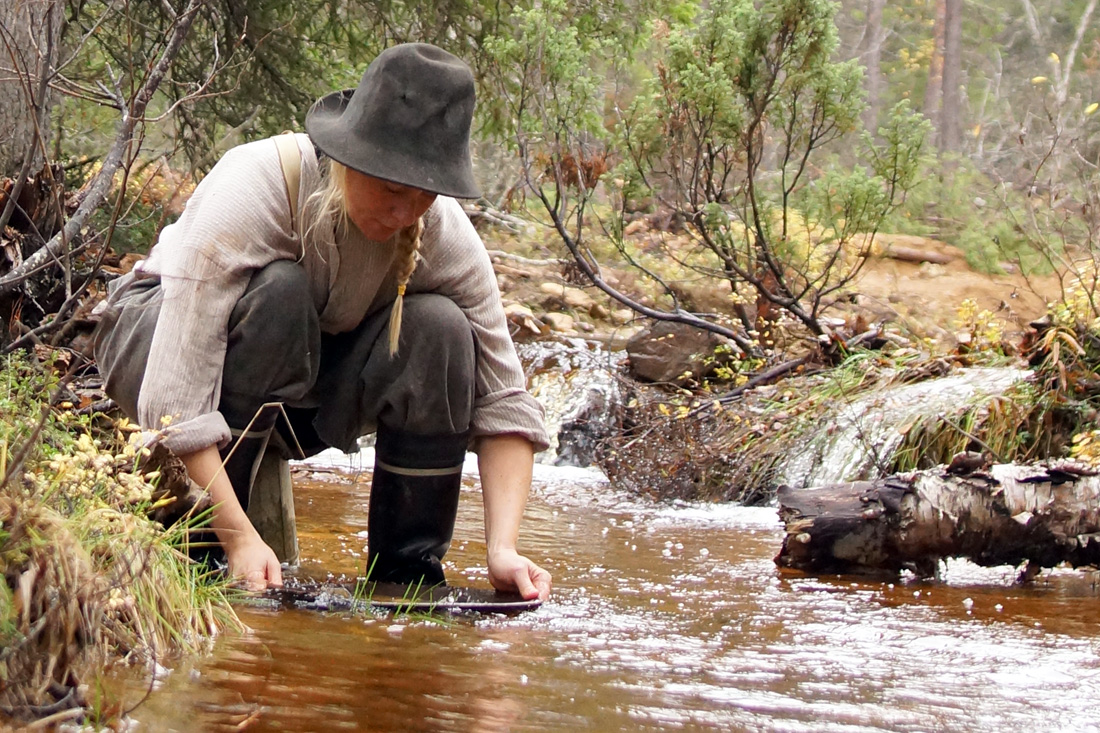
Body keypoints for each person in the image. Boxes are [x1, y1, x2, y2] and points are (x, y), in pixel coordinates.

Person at [93, 43, 552, 600]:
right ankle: (200, 549)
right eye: (392, 190)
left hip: (295, 395)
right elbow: (174, 401)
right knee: (281, 291)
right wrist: (239, 537)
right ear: (348, 157)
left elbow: (505, 402)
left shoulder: (444, 233)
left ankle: (405, 582)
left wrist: (502, 549)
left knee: (441, 326)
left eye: (425, 195)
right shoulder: (251, 189)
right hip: (151, 345)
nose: (406, 214)